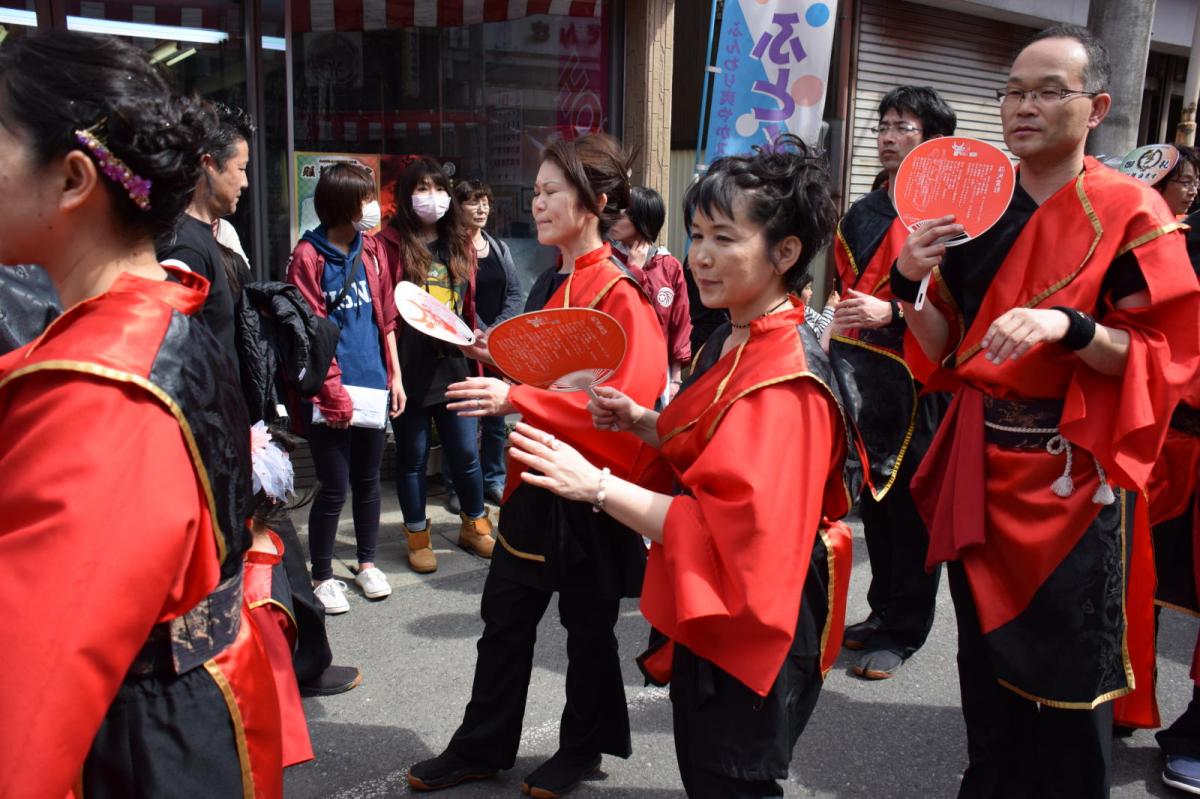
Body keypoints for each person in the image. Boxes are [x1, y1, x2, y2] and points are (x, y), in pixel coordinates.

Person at [894, 25, 1200, 797]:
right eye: (1013, 92)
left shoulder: (1130, 211)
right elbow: (946, 348)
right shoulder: (975, 206)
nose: (1023, 106)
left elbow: (1161, 355)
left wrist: (1073, 327)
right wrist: (908, 286)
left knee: (1070, 680)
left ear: (1096, 107)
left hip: (1074, 479)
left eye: (1047, 91)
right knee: (982, 664)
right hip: (980, 464)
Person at [503, 134, 854, 798]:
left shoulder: (784, 381)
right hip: (726, 603)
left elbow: (735, 531)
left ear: (785, 253)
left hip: (758, 616)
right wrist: (641, 421)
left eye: (725, 238)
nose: (701, 256)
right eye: (696, 235)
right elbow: (711, 444)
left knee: (730, 778)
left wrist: (596, 484)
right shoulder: (738, 335)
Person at [0, 32, 282, 798]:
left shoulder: (101, 397)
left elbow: (27, 719)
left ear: (72, 177)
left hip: (139, 747)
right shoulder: (160, 312)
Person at [406, 133, 667, 797]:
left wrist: (514, 397)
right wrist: (493, 355)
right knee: (505, 618)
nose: (538, 202)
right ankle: (481, 746)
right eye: (538, 190)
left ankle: (581, 747)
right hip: (535, 478)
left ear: (596, 203)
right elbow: (547, 372)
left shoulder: (623, 293)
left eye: (553, 191)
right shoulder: (556, 280)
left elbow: (624, 407)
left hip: (588, 489)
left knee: (587, 629)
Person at [829, 84, 956, 680]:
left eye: (903, 126)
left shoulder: (954, 217)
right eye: (883, 124)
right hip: (862, 373)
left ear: (934, 141)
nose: (887, 135)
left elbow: (963, 308)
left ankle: (904, 631)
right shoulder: (866, 208)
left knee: (911, 511)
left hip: (921, 380)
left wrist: (895, 312)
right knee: (876, 505)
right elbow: (842, 286)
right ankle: (883, 612)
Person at [287, 162, 404, 612]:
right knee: (334, 486)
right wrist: (332, 393)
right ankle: (322, 575)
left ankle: (367, 562)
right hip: (330, 391)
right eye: (365, 199)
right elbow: (308, 333)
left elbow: (386, 317)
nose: (374, 207)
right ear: (342, 204)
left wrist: (396, 376)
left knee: (369, 480)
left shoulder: (371, 249)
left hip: (373, 384)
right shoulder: (308, 255)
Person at [375, 156, 494, 573]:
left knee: (466, 452)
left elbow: (467, 307)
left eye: (439, 188)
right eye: (422, 188)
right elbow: (385, 314)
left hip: (454, 366)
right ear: (406, 197)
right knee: (412, 457)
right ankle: (416, 535)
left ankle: (474, 525)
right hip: (410, 368)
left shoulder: (458, 241)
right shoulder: (388, 244)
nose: (433, 197)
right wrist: (393, 374)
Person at [157, 100, 252, 370]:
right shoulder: (185, 250)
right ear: (208, 165)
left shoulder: (199, 235)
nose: (245, 182)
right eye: (241, 169)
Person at [454, 178, 524, 506]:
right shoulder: (451, 249)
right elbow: (455, 299)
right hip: (464, 346)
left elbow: (514, 292)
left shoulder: (498, 247)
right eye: (473, 201)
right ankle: (458, 487)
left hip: (497, 347)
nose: (482, 208)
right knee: (464, 421)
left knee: (496, 420)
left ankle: (493, 479)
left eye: (485, 201)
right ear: (457, 207)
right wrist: (480, 331)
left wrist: (496, 331)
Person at [609, 185, 692, 400]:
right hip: (616, 372)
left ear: (642, 219)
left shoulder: (669, 266)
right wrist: (633, 271)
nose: (615, 217)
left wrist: (675, 380)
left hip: (657, 375)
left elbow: (679, 324)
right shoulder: (607, 260)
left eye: (624, 212)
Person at [1154, 144, 1200, 217]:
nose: (1194, 192)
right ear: (1157, 182)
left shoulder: (1185, 221)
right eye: (1186, 182)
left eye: (1196, 183)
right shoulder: (1141, 221)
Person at [797, 272, 837, 339]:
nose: (811, 292)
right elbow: (817, 337)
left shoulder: (806, 309)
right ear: (794, 294)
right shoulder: (798, 315)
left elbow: (822, 322)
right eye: (807, 288)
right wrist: (830, 308)